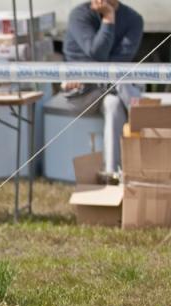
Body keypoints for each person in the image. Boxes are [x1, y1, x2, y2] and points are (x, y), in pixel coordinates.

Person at [51, 0, 143, 175]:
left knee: (113, 103)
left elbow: (120, 62)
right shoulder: (80, 15)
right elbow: (97, 52)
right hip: (81, 94)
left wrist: (90, 69)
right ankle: (143, 116)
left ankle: (111, 172)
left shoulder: (134, 19)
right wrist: (108, 18)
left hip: (111, 89)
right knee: (123, 82)